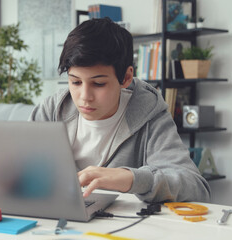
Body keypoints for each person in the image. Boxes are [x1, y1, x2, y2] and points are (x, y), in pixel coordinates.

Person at [29, 18, 211, 203]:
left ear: (126, 77)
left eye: (98, 83)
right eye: (75, 82)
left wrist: (132, 179)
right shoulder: (52, 110)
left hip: (121, 228)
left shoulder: (151, 114)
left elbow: (195, 187)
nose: (85, 96)